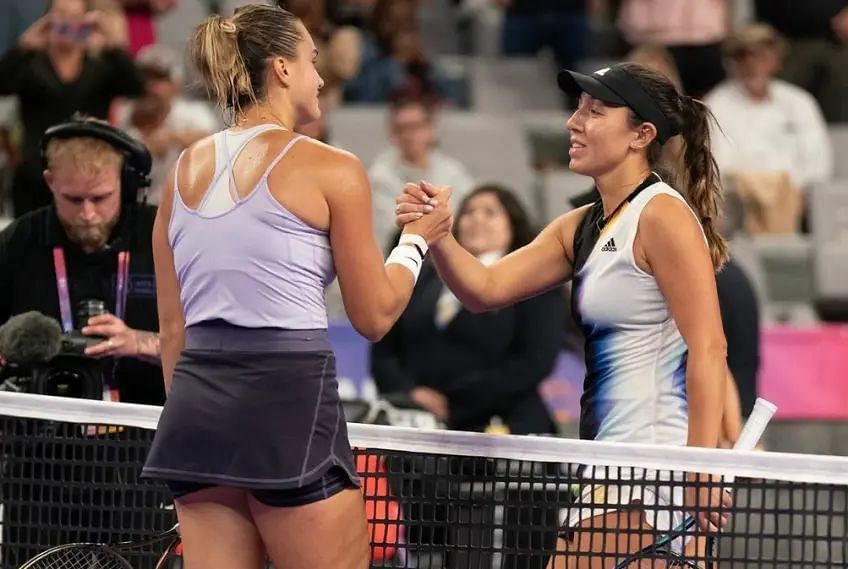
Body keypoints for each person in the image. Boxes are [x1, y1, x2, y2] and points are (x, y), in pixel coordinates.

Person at [140, 5, 451, 569]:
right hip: (286, 400)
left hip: (194, 410)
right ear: (282, 69)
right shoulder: (332, 167)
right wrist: (416, 240)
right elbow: (375, 315)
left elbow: (171, 331)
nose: (321, 77)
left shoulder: (183, 168)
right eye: (312, 61)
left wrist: (201, 417)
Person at [396, 62, 733, 566]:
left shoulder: (662, 215)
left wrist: (698, 470)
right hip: (607, 464)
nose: (574, 123)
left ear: (641, 135)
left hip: (655, 469)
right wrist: (436, 234)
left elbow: (709, 347)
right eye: (577, 109)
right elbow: (485, 289)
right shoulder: (580, 226)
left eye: (595, 112)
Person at [0, 116, 162, 569]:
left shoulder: (164, 238)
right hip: (39, 465)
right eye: (73, 199)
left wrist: (140, 342)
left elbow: (210, 349)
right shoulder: (18, 244)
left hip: (141, 461)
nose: (88, 213)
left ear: (127, 184)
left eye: (101, 198)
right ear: (50, 182)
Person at [372, 184, 563, 435]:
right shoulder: (424, 277)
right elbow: (385, 343)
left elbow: (534, 360)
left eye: (490, 212)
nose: (476, 219)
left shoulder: (535, 282)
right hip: (418, 426)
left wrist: (453, 401)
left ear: (512, 226)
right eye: (469, 212)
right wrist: (409, 393)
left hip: (502, 429)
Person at [0, 0, 143, 217]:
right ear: (48, 18)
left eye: (75, 16)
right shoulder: (31, 65)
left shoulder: (100, 66)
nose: (68, 21)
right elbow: (3, 84)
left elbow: (136, 86)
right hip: (36, 175)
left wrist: (112, 41)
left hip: (89, 175)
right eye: (61, 14)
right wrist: (24, 45)